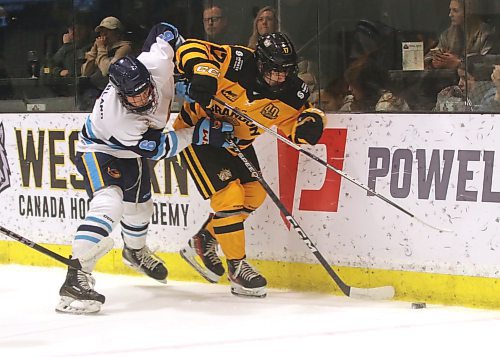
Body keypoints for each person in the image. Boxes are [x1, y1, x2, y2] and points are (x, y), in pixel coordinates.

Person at [55, 24, 234, 314]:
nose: (140, 99)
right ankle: (76, 277)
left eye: (143, 91)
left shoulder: (157, 63)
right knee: (109, 204)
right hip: (99, 150)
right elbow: (161, 148)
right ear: (119, 94)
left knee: (141, 208)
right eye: (132, 96)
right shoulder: (119, 119)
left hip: (131, 153)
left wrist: (192, 70)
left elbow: (166, 31)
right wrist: (199, 134)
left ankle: (134, 251)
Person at [174, 32, 326, 298]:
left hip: (237, 144)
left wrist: (311, 123)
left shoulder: (293, 91)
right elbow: (192, 47)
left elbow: (302, 115)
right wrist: (202, 72)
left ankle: (204, 238)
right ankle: (237, 266)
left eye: (286, 71)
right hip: (197, 136)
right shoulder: (238, 61)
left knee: (254, 194)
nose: (280, 77)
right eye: (274, 70)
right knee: (229, 197)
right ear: (260, 62)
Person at [247, 6, 318, 98]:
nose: (264, 22)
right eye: (260, 19)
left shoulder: (287, 47)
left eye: (269, 19)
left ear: (276, 23)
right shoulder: (250, 50)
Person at [424, 0, 495, 70]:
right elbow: (429, 57)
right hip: (449, 79)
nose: (450, 15)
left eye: (455, 10)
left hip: (474, 80)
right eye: (450, 10)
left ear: (468, 12)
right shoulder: (447, 35)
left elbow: (487, 63)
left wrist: (459, 63)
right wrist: (434, 62)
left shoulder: (486, 34)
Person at [80, 16, 133, 109]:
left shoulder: (124, 48)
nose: (103, 34)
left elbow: (107, 70)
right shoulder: (103, 47)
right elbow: (85, 72)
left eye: (107, 31)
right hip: (95, 90)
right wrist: (93, 53)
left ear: (117, 33)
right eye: (101, 31)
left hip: (114, 92)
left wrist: (101, 49)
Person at [340, 55, 410, 112]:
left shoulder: (386, 105)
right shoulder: (354, 101)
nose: (349, 89)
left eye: (353, 85)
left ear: (366, 85)